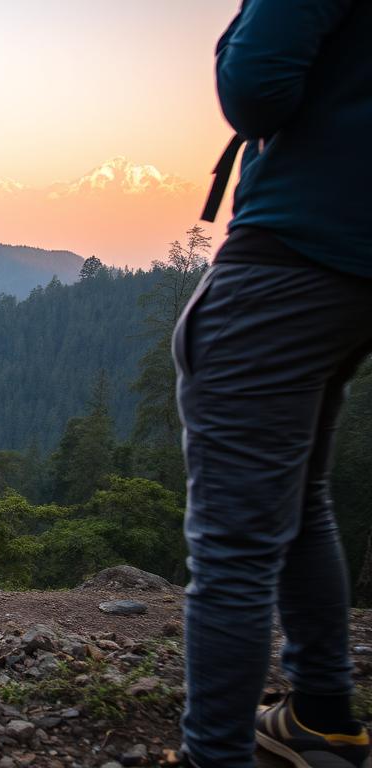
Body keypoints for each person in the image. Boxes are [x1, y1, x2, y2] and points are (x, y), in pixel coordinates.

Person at [178, 2, 372, 766]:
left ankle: (213, 755)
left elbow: (256, 88)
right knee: (300, 494)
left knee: (233, 542)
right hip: (356, 266)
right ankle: (322, 713)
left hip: (299, 246)